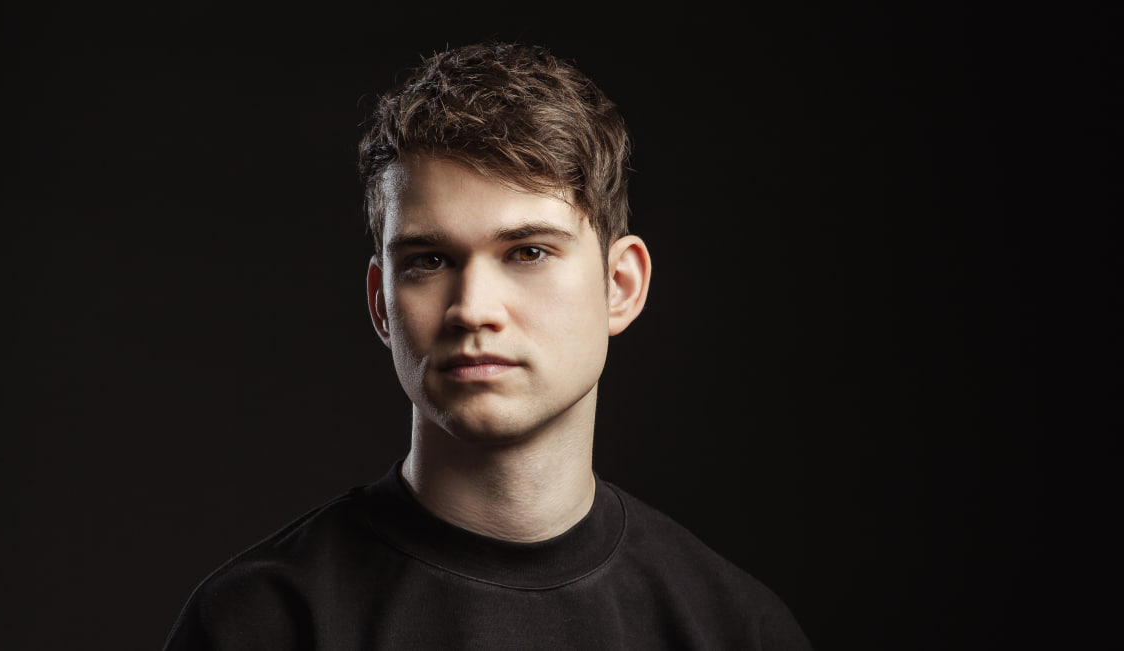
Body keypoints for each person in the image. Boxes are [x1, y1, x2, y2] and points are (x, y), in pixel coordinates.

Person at [162, 41, 811, 650]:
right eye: (429, 260)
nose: (472, 308)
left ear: (620, 286)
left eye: (528, 252)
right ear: (381, 303)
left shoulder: (738, 628)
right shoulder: (259, 623)